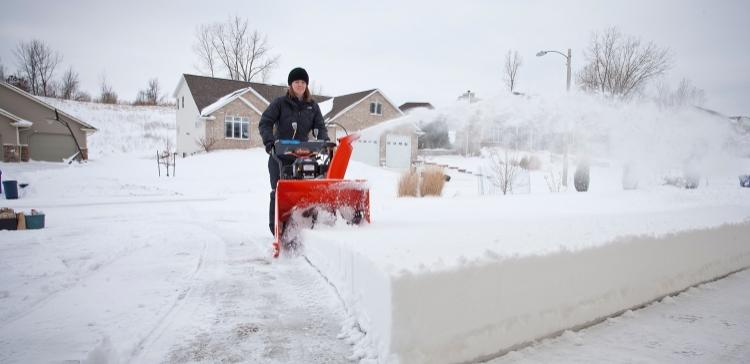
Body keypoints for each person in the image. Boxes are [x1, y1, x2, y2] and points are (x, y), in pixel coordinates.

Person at [259, 67, 330, 235]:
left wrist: (324, 141)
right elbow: (265, 122)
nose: (300, 85)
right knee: (279, 190)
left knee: (307, 190)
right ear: (290, 84)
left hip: (304, 156)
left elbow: (320, 126)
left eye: (303, 82)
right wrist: (270, 142)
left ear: (306, 85)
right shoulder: (280, 103)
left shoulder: (312, 106)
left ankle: (307, 222)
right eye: (297, 82)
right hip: (281, 155)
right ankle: (278, 228)